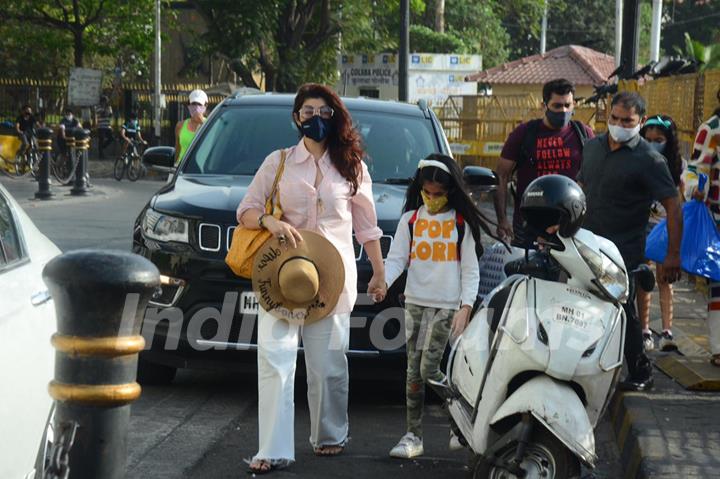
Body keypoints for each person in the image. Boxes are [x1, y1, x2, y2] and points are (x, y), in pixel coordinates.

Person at [236, 83, 386, 474]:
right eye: (307, 112)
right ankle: (272, 448)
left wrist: (380, 273)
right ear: (296, 117)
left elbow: (367, 228)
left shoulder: (351, 167)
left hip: (333, 279)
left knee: (329, 364)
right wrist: (270, 221)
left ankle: (329, 434)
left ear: (334, 117)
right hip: (282, 275)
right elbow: (246, 209)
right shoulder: (279, 162)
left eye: (323, 112)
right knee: (274, 359)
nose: (315, 119)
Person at [383, 154, 493, 459]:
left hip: (446, 308)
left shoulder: (461, 223)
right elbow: (396, 260)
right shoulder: (411, 220)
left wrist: (465, 307)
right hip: (416, 304)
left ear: (451, 191)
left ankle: (463, 419)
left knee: (429, 368)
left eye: (438, 194)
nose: (431, 199)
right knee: (413, 373)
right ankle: (413, 435)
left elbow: (471, 270)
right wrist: (383, 282)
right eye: (426, 193)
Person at [578, 92, 682, 391]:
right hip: (585, 243)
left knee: (623, 309)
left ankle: (640, 371)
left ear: (639, 122)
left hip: (624, 248)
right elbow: (581, 185)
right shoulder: (593, 147)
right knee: (580, 302)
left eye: (628, 121)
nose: (620, 125)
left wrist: (673, 255)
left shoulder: (649, 159)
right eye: (615, 118)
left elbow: (673, 206)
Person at [494, 78, 594, 247]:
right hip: (529, 225)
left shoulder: (583, 134)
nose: (563, 110)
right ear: (544, 105)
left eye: (567, 105)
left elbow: (594, 178)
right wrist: (502, 220)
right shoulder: (524, 133)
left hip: (570, 226)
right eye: (557, 105)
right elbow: (501, 176)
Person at [637, 115, 685, 352]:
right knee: (644, 279)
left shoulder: (678, 166)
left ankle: (667, 331)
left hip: (666, 227)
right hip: (642, 225)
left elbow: (681, 198)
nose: (653, 143)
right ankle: (645, 330)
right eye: (649, 139)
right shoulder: (638, 160)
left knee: (665, 279)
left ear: (669, 140)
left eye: (659, 139)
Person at [685, 86, 720, 367]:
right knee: (719, 287)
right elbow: (697, 169)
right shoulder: (712, 129)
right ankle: (719, 348)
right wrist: (697, 189)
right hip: (717, 221)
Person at [174, 89, 208, 166]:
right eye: (193, 104)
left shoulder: (210, 124)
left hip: (201, 169)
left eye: (199, 104)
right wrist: (174, 166)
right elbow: (177, 149)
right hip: (181, 168)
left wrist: (202, 122)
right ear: (188, 105)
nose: (196, 107)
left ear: (205, 106)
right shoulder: (180, 126)